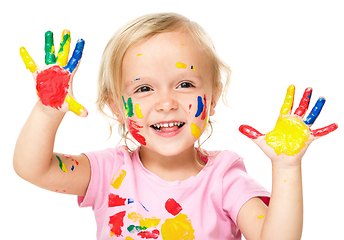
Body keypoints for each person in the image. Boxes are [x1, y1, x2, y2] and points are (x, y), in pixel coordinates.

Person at [13, 12, 338, 240]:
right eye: (143, 89)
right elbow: (33, 168)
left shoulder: (224, 179)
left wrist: (286, 167)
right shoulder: (107, 172)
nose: (166, 102)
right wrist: (48, 109)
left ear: (211, 98)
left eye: (184, 84)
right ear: (116, 106)